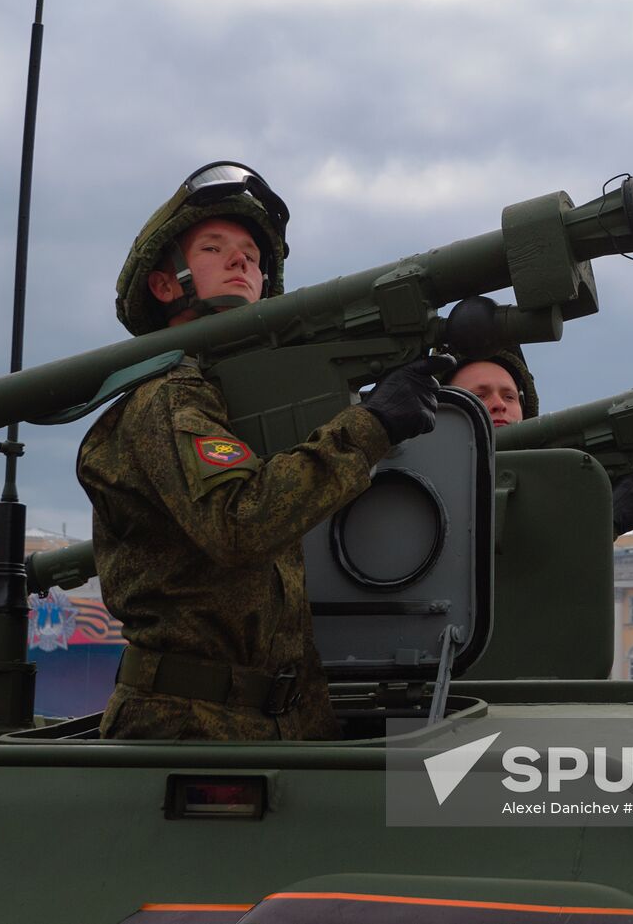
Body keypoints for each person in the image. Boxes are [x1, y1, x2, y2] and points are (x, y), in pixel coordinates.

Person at [78, 162, 449, 741]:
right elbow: (239, 522)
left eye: (252, 253)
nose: (242, 260)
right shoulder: (171, 397)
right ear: (165, 283)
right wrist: (370, 426)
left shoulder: (233, 400)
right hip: (190, 728)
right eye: (214, 247)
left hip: (266, 715)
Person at [446, 349, 633, 536]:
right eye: (480, 396)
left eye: (509, 397)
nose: (499, 405)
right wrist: (601, 525)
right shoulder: (434, 485)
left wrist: (605, 519)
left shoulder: (547, 493)